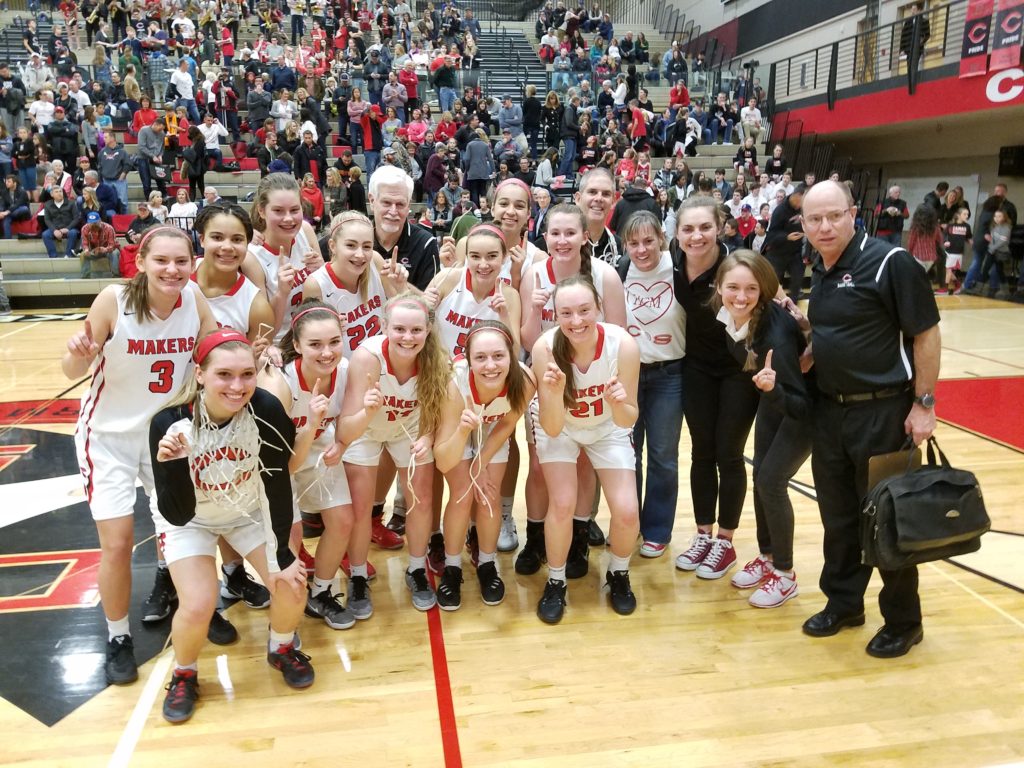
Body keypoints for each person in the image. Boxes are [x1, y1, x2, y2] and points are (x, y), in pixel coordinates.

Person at [62, 226, 217, 686]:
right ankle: (117, 637)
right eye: (162, 261)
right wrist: (77, 352)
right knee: (117, 543)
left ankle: (192, 601)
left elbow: (214, 353)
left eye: (181, 261)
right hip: (107, 437)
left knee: (185, 525)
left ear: (193, 263)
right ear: (142, 260)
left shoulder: (194, 300)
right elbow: (73, 368)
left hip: (164, 433)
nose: (173, 270)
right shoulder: (114, 300)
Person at [801, 180, 940, 658]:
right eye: (814, 219)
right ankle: (844, 603)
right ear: (803, 224)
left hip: (884, 413)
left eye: (833, 216)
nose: (824, 226)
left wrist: (924, 404)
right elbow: (836, 331)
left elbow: (925, 334)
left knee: (889, 520)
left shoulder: (889, 262)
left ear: (853, 213)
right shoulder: (819, 268)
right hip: (831, 414)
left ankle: (904, 621)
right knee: (838, 518)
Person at [150, 330, 312, 723]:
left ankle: (281, 647)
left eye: (247, 374)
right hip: (192, 519)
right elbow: (177, 514)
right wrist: (173, 467)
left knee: (291, 583)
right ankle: (185, 673)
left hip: (246, 508)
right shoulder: (169, 423)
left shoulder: (267, 410)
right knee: (199, 603)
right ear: (201, 374)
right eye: (224, 374)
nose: (237, 386)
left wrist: (283, 556)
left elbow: (276, 483)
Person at [517, 201, 626, 576]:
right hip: (547, 381)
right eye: (555, 233)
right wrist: (533, 310)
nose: (562, 240)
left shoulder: (605, 276)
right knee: (537, 465)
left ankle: (578, 538)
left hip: (593, 383)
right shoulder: (533, 273)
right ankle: (535, 539)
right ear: (544, 237)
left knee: (584, 464)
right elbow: (529, 341)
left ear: (584, 236)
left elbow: (618, 335)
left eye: (570, 233)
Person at [531, 276, 640, 623]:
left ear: (599, 308)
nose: (576, 321)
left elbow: (627, 418)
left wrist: (619, 403)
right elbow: (550, 427)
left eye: (584, 311)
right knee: (561, 504)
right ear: (556, 314)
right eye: (566, 313)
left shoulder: (622, 345)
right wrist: (555, 392)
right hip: (560, 427)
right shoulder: (545, 349)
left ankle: (618, 573)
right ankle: (556, 580)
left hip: (608, 427)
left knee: (625, 510)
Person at [713, 250, 814, 607]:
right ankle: (768, 558)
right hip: (774, 401)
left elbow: (802, 404)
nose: (740, 296)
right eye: (733, 287)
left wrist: (774, 389)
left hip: (801, 412)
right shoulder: (730, 314)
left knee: (771, 482)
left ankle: (785, 575)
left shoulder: (776, 334)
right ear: (720, 287)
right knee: (760, 478)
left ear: (765, 291)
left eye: (751, 289)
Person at [338, 292, 450, 613]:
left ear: (428, 330)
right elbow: (346, 427)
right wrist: (369, 410)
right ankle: (357, 574)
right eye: (399, 329)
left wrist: (428, 438)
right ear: (384, 326)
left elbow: (434, 410)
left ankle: (416, 568)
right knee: (361, 505)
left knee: (422, 498)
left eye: (416, 330)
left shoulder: (436, 360)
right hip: (365, 428)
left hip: (411, 427)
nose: (407, 337)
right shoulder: (367, 358)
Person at [672, 196, 760, 580]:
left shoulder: (737, 265)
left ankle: (725, 540)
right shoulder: (670, 266)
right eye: (688, 229)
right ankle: (703, 535)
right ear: (676, 233)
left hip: (738, 371)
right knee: (702, 453)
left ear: (721, 226)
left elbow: (770, 305)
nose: (696, 236)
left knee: (730, 453)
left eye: (704, 227)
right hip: (696, 369)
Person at [258, 301, 358, 628]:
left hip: (315, 443)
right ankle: (283, 622)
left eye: (334, 342)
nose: (327, 352)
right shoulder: (277, 385)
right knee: (290, 536)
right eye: (315, 344)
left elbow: (346, 423)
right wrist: (314, 424)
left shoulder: (346, 372)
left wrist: (340, 443)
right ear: (297, 345)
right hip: (272, 460)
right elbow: (282, 465)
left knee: (343, 520)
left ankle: (322, 591)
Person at [433, 320, 535, 608]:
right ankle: (452, 567)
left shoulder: (525, 381)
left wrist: (480, 463)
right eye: (480, 358)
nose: (490, 365)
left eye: (498, 356)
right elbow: (443, 459)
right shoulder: (454, 385)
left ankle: (487, 563)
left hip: (492, 431)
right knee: (462, 494)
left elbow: (507, 425)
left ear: (511, 356)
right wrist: (464, 432)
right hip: (458, 430)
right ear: (468, 361)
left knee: (489, 494)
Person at [615, 212, 685, 558]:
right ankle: (629, 524)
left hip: (669, 374)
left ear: (662, 237)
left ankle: (657, 529)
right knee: (628, 454)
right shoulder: (620, 271)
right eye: (634, 242)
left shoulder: (679, 268)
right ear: (625, 244)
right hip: (628, 374)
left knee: (663, 455)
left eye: (648, 240)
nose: (642, 249)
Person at [242, 172, 325, 340]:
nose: (288, 218)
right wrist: (281, 293)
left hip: (316, 334)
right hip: (280, 344)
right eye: (278, 211)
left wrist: (322, 269)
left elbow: (327, 291)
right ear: (262, 211)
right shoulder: (251, 257)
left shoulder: (306, 231)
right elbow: (264, 333)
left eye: (294, 210)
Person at [763, 184, 806, 302]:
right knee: (772, 283)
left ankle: (793, 308)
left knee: (797, 280)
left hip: (795, 252)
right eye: (802, 201)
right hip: (778, 253)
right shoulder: (780, 211)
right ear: (796, 196)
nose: (802, 205)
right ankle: (770, 306)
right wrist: (787, 237)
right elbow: (771, 235)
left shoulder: (802, 209)